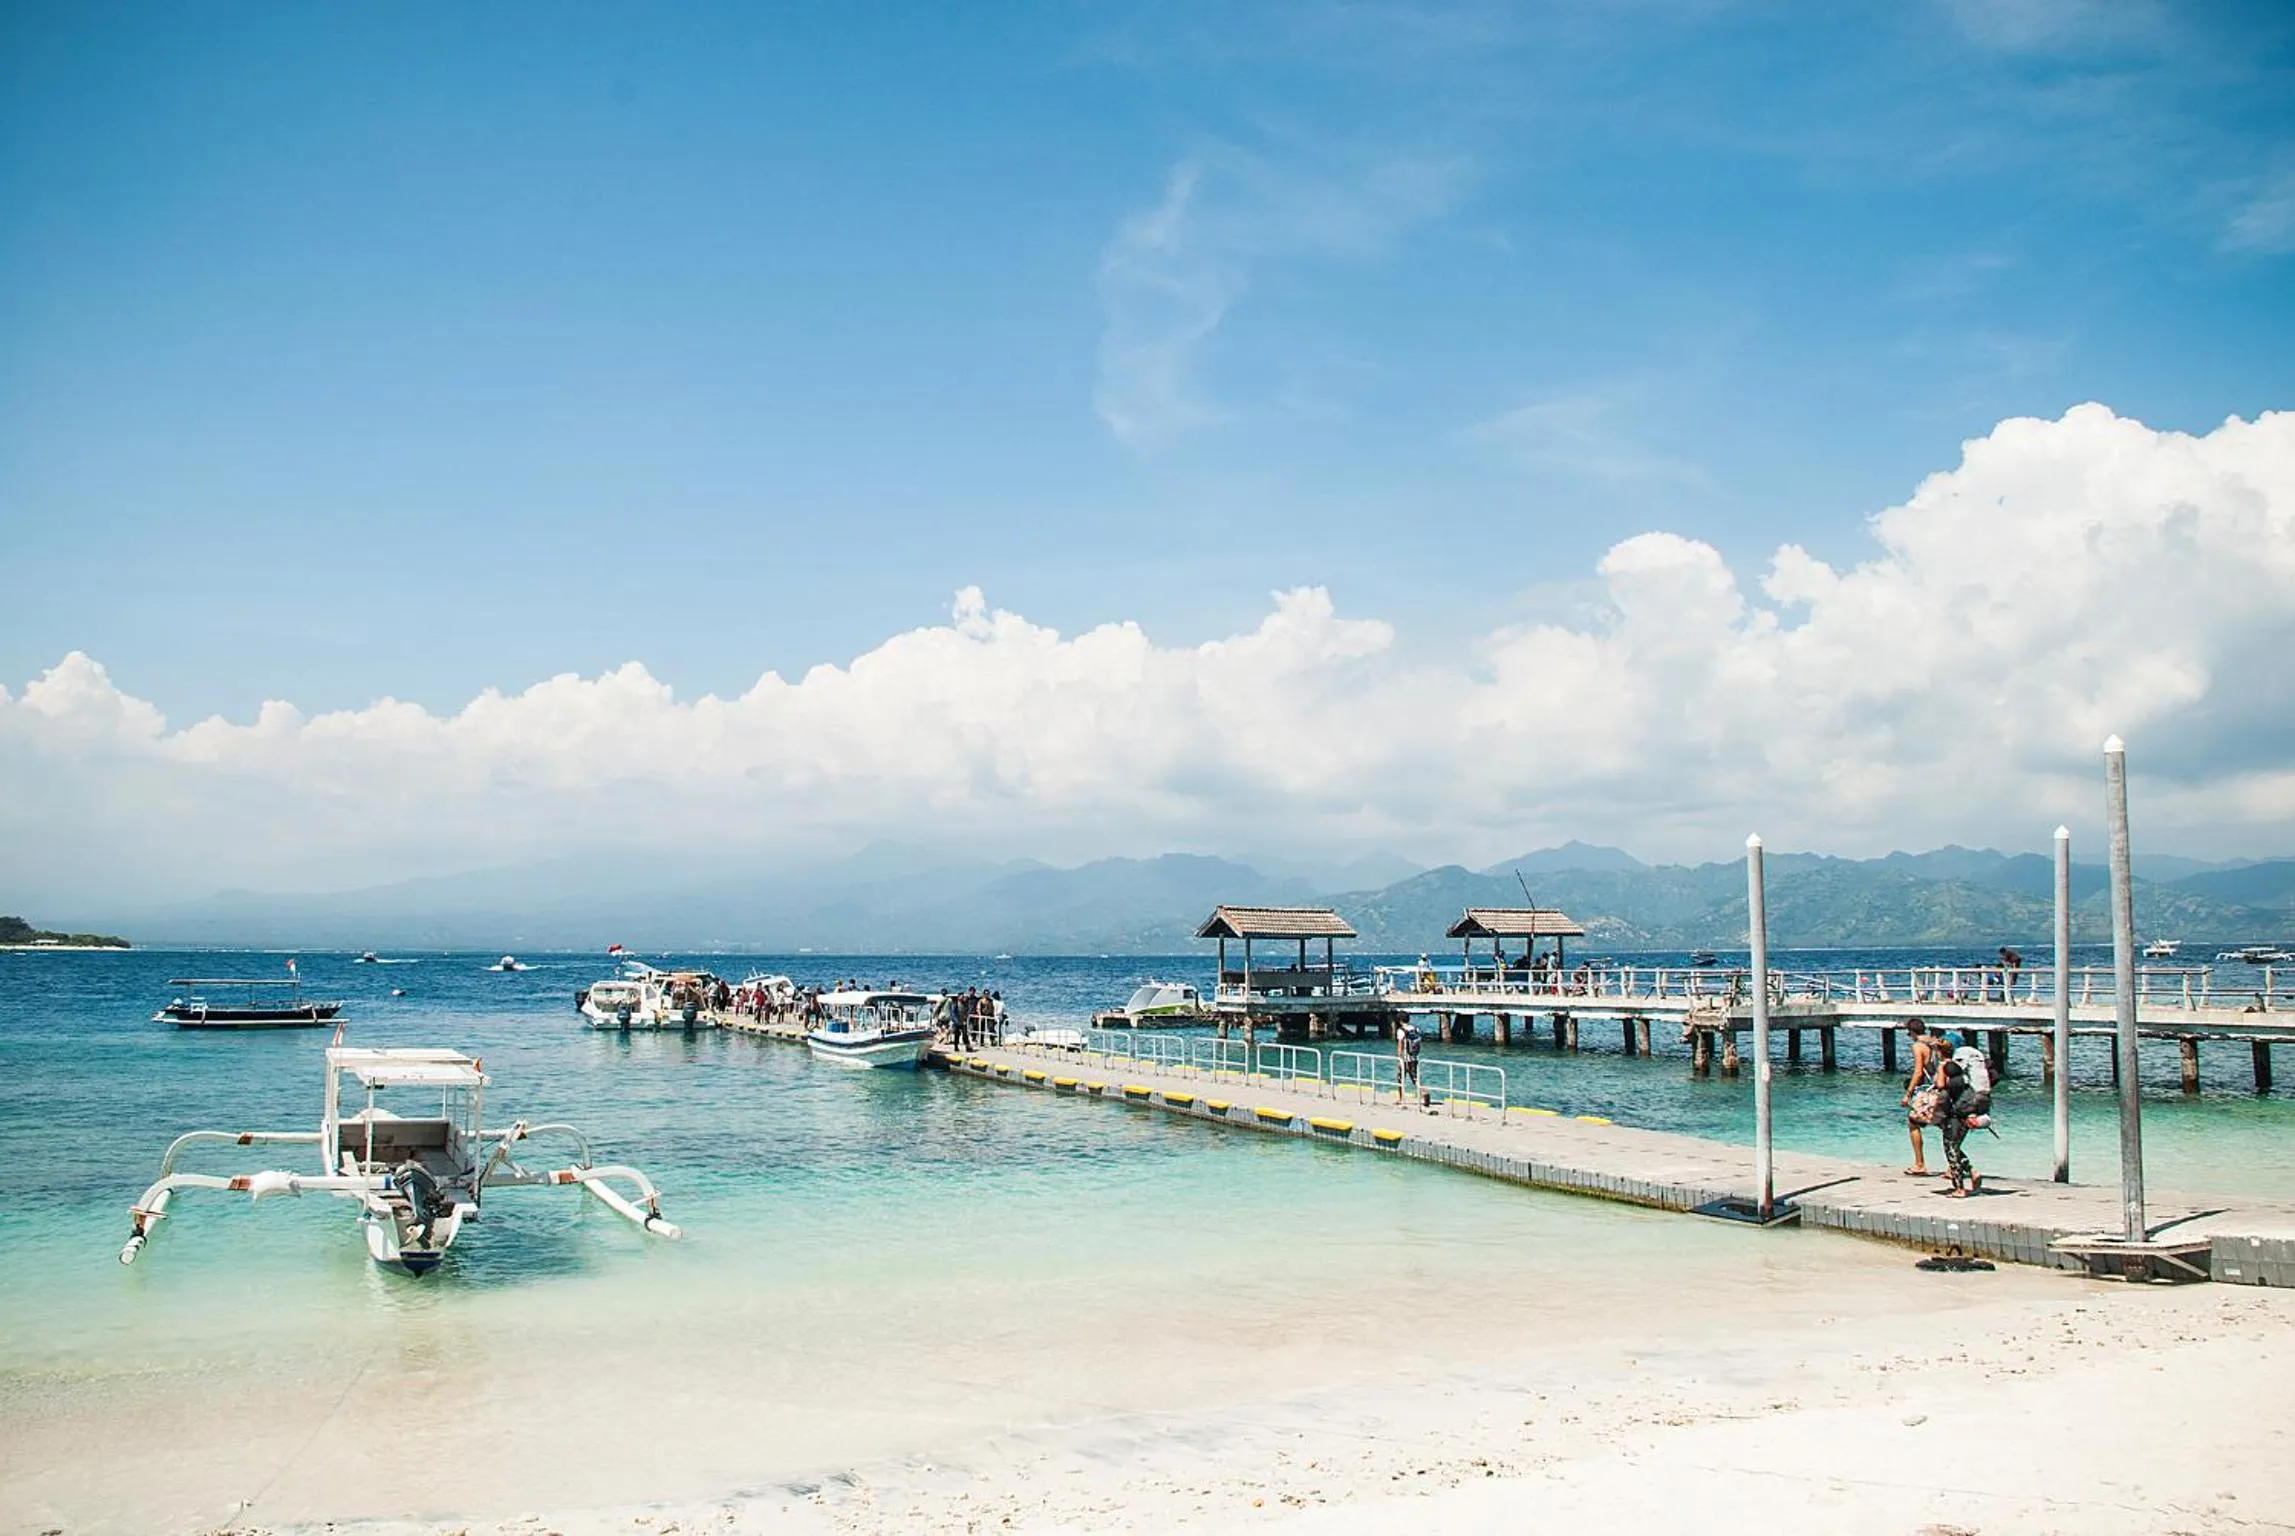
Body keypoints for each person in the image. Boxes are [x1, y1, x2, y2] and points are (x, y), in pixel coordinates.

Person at [1937, 1030, 1994, 1197]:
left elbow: (1944, 1084)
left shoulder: (1953, 1064)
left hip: (1964, 1105)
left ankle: (1960, 1187)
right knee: (1955, 1143)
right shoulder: (1974, 1058)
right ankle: (1972, 1172)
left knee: (1950, 1145)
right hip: (1981, 1100)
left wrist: (1941, 1068)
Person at [1900, 1020, 1943, 1175]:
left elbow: (1918, 1072)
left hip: (1931, 1089)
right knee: (1945, 1125)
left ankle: (1919, 1164)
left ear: (1911, 1032)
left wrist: (1908, 1094)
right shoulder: (1934, 1043)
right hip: (1943, 1086)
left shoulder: (1918, 1046)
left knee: (1913, 1122)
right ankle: (1953, 1166)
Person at [1396, 1021, 1423, 1104]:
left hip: (1405, 1058)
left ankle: (1401, 1098)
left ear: (1400, 1020)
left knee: (1400, 1078)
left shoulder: (1401, 1030)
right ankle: (1424, 1093)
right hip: (1414, 1057)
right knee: (1415, 1078)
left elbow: (1400, 1045)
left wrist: (1399, 1058)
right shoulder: (1416, 1029)